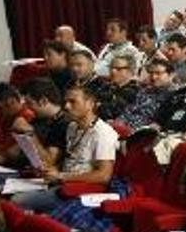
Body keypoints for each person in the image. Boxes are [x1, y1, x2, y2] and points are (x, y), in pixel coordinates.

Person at [11, 85, 118, 213]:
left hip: (78, 189)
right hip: (60, 183)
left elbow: (104, 175)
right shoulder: (72, 127)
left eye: (73, 102)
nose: (66, 106)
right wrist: (51, 170)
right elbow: (70, 159)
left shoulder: (103, 133)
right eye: (65, 102)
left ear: (90, 104)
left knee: (16, 200)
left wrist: (62, 176)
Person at [17, 79, 70, 169]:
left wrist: (30, 133)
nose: (27, 108)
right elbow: (18, 153)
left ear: (43, 101)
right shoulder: (39, 120)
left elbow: (48, 161)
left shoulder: (64, 124)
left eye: (29, 103)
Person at [115, 57, 174, 131]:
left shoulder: (174, 96)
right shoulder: (145, 91)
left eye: (158, 73)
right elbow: (129, 110)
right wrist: (118, 122)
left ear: (171, 75)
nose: (153, 77)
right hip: (123, 127)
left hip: (143, 132)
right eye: (151, 73)